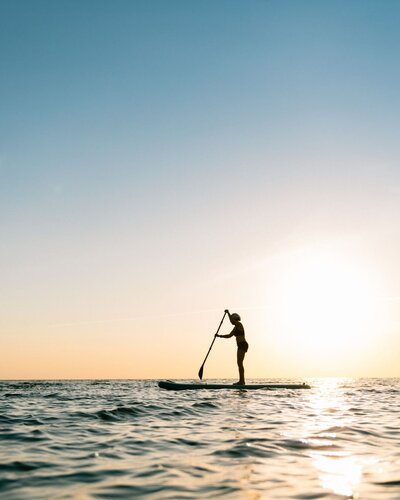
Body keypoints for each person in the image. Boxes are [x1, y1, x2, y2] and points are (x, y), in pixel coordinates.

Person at [216, 309, 248, 385]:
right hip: (240, 345)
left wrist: (228, 313)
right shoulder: (235, 328)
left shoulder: (239, 324)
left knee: (240, 363)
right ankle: (241, 381)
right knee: (239, 363)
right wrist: (219, 336)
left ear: (235, 319)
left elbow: (232, 322)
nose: (232, 320)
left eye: (232, 318)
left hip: (243, 344)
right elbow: (229, 336)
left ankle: (242, 381)